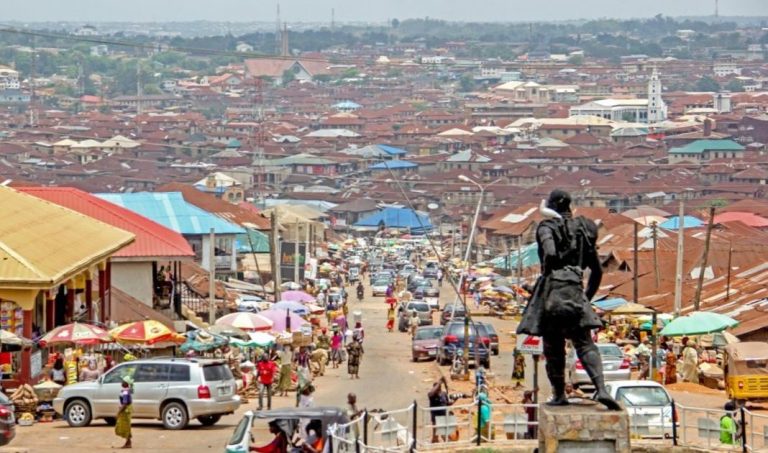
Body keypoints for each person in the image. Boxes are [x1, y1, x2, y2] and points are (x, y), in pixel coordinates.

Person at [516, 189, 620, 411]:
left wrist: (549, 264)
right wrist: (587, 299)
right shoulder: (585, 229)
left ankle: (560, 394)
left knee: (553, 346)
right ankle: (600, 388)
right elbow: (597, 270)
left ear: (551, 205)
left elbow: (551, 252)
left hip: (552, 291)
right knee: (584, 342)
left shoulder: (547, 227)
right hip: (575, 291)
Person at [428, 377, 450, 442]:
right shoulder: (432, 395)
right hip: (436, 418)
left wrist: (458, 398)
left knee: (444, 434)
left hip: (444, 416)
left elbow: (448, 403)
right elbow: (431, 393)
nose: (438, 390)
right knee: (435, 436)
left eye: (439, 388)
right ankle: (434, 443)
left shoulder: (443, 394)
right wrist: (439, 382)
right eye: (437, 388)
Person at [115, 376, 133, 449]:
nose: (121, 382)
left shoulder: (125, 391)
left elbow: (125, 403)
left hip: (125, 411)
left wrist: (118, 412)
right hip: (127, 410)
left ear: (126, 383)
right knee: (126, 426)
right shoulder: (126, 390)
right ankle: (128, 442)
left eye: (123, 381)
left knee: (124, 426)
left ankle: (128, 442)